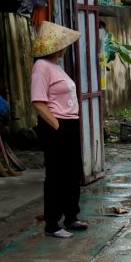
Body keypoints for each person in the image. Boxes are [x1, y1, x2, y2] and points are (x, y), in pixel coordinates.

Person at [30, 21, 87, 239]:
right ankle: (52, 224)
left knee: (72, 173)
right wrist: (56, 125)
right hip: (56, 125)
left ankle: (71, 217)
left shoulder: (55, 66)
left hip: (69, 123)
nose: (65, 47)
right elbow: (38, 101)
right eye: (62, 44)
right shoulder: (41, 67)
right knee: (56, 175)